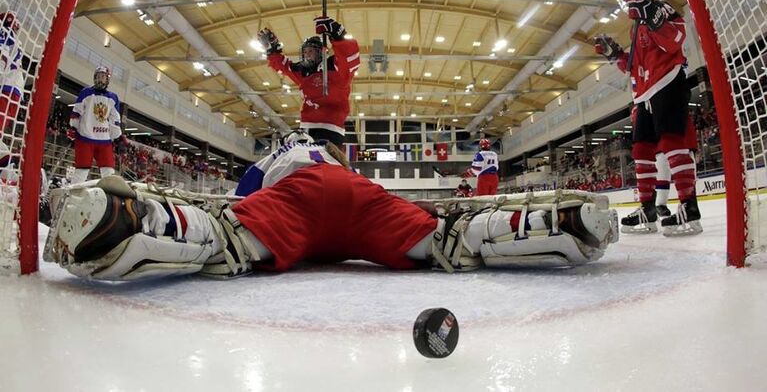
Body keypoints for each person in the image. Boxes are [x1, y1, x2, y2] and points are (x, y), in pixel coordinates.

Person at [45, 131, 618, 281]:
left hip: (297, 202)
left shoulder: (279, 155)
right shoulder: (340, 162)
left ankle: (128, 220)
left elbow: (242, 202)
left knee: (219, 237)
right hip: (353, 199)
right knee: (449, 238)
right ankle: (554, 222)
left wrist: (250, 222)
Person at [595, 0, 701, 236]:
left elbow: (674, 39)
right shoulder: (635, 26)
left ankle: (689, 206)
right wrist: (616, 56)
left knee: (672, 143)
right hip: (644, 95)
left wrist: (651, 15)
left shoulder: (659, 8)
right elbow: (635, 67)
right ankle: (648, 209)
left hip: (668, 82)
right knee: (642, 149)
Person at [258, 17, 360, 149]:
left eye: (310, 51)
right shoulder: (303, 72)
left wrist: (336, 33)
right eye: (305, 51)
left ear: (321, 52)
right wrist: (272, 50)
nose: (307, 55)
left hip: (331, 129)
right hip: (306, 127)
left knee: (323, 164)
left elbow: (350, 58)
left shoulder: (335, 68)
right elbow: (285, 67)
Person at [68, 66, 126, 184]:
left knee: (109, 173)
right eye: (98, 77)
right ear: (94, 78)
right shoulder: (85, 92)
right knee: (81, 172)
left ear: (107, 80)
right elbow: (77, 111)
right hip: (85, 137)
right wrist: (73, 127)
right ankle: (72, 196)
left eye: (103, 77)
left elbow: (115, 119)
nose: (100, 80)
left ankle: (109, 198)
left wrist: (117, 136)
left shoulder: (113, 98)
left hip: (104, 140)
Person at [0, 12, 25, 166]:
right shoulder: (18, 41)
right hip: (17, 88)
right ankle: (8, 160)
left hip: (6, 85)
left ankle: (7, 159)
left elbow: (2, 55)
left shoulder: (3, 32)